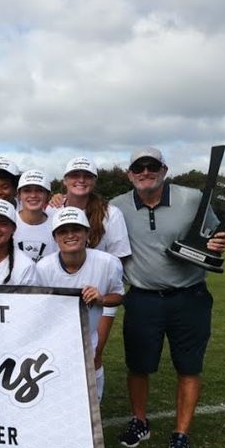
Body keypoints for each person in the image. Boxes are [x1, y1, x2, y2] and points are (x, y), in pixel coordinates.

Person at [110, 146, 225, 448]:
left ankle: (181, 434)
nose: (145, 172)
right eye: (139, 167)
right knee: (138, 366)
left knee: (189, 366)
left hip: (189, 297)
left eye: (152, 166)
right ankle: (140, 421)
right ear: (129, 174)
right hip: (142, 298)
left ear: (164, 170)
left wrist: (220, 242)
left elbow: (216, 236)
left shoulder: (192, 199)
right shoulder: (116, 206)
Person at [33, 207, 124, 401]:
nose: (70, 235)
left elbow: (118, 295)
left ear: (87, 233)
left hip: (87, 337)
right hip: (53, 339)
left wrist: (101, 299)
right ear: (55, 237)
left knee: (89, 378)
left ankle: (95, 407)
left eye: (76, 229)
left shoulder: (108, 263)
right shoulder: (43, 268)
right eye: (63, 231)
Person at [60, 156, 132, 384]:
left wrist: (101, 295)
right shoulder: (54, 209)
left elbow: (118, 259)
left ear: (94, 181)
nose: (80, 180)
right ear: (65, 180)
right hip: (62, 296)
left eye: (87, 176)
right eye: (75, 175)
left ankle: (93, 406)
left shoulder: (111, 213)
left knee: (93, 355)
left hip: (100, 297)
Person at [13, 170, 57, 263]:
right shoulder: (9, 221)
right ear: (19, 195)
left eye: (39, 190)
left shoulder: (56, 224)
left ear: (48, 195)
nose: (33, 195)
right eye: (27, 191)